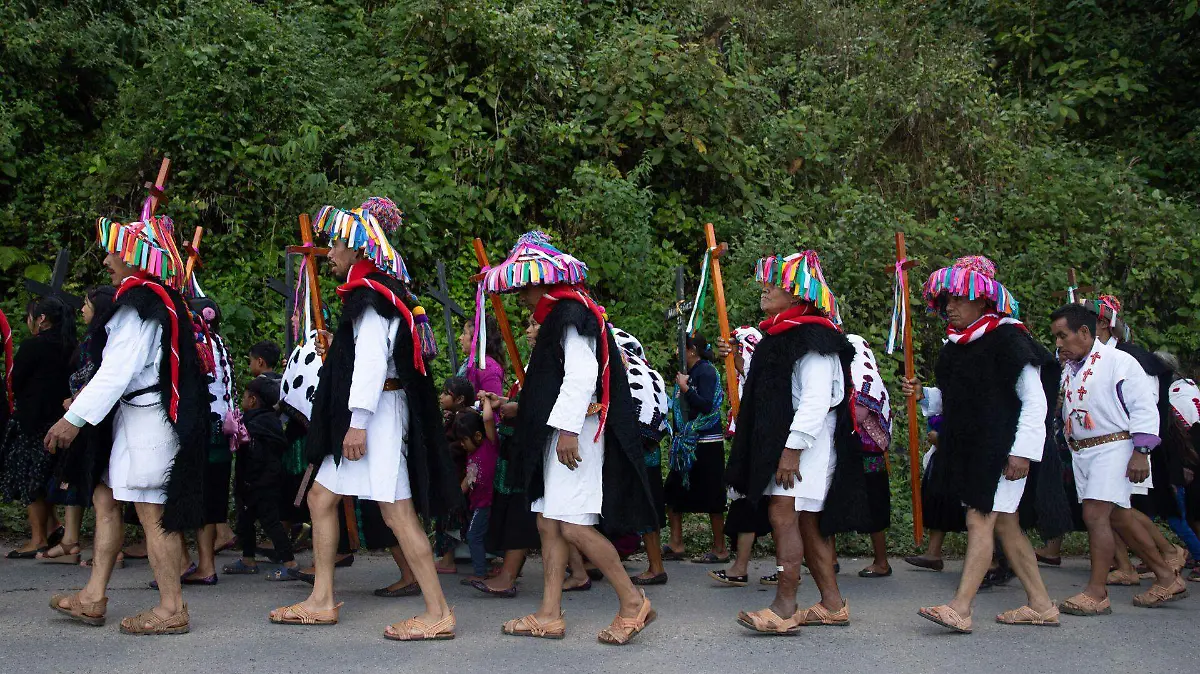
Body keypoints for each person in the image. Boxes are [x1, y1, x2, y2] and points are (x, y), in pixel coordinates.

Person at [269, 196, 459, 641]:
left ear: (357, 250)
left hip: (375, 418)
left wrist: (357, 423)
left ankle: (438, 612)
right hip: (373, 413)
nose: (330, 253)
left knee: (398, 514)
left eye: (337, 245)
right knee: (321, 497)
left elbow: (372, 362)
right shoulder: (375, 293)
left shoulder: (371, 298)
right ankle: (321, 599)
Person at [483, 231, 657, 644]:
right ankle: (549, 613)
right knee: (548, 521)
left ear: (542, 281)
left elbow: (582, 376)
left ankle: (633, 602)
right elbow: (553, 384)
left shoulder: (571, 314)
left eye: (524, 286)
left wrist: (566, 430)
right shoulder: (559, 315)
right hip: (563, 433)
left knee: (574, 526)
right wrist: (521, 409)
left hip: (576, 434)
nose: (520, 296)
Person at [44, 210, 210, 634]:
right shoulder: (151, 300)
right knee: (106, 500)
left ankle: (171, 608)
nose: (106, 261)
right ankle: (93, 596)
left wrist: (73, 419)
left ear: (136, 256)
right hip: (134, 418)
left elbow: (116, 371)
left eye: (114, 252)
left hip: (147, 423)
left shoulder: (139, 306)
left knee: (152, 513)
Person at [906, 255, 1067, 634]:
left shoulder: (1011, 340)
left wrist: (1022, 453)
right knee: (1006, 526)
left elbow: (1035, 402)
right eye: (946, 300)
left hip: (1003, 451)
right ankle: (1041, 605)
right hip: (976, 452)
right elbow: (962, 399)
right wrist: (926, 394)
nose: (950, 307)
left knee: (979, 519)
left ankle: (960, 608)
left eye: (958, 299)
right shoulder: (958, 346)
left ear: (982, 300)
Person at [726, 250, 866, 634]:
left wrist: (791, 451)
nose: (765, 288)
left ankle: (785, 606)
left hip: (806, 444)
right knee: (806, 522)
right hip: (795, 442)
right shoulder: (781, 336)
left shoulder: (814, 341)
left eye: (777, 284)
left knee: (782, 514)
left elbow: (816, 401)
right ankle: (833, 605)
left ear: (799, 294)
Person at [1049, 302, 1187, 614]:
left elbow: (1144, 406)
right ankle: (1167, 577)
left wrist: (1141, 452)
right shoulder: (1071, 368)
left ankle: (1096, 593)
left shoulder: (1119, 361)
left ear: (1085, 332)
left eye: (1063, 336)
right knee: (1119, 517)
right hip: (1084, 452)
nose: (1058, 343)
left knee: (1095, 515)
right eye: (1056, 337)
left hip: (1114, 447)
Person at [44, 287, 119, 565]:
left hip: (96, 419)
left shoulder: (104, 339)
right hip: (84, 416)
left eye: (87, 304)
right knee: (82, 480)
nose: (82, 309)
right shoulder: (92, 337)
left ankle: (110, 551)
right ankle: (72, 541)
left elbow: (102, 378)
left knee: (103, 489)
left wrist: (78, 402)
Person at [472, 317, 542, 598]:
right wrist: (503, 402)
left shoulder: (552, 360)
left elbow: (545, 403)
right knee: (536, 516)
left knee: (522, 512)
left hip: (528, 448)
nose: (528, 330)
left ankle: (509, 576)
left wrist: (518, 408)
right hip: (517, 447)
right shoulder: (537, 361)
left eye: (535, 325)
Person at [1, 297, 76, 559]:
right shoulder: (71, 345)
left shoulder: (33, 346)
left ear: (42, 319)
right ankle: (53, 526)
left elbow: (15, 380)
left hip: (33, 422)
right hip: (61, 421)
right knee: (47, 478)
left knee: (30, 479)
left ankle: (37, 539)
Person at [611, 326, 671, 586]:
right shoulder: (650, 372)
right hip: (651, 449)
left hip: (636, 452)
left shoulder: (627, 370)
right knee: (647, 506)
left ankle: (656, 567)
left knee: (642, 508)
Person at [663, 334, 728, 563]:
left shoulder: (706, 371)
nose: (677, 351)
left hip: (707, 443)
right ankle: (676, 543)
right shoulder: (688, 373)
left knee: (712, 497)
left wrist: (686, 389)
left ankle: (720, 549)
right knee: (673, 491)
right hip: (686, 444)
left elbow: (707, 405)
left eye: (681, 347)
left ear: (692, 350)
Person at [224, 373, 297, 578]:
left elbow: (255, 457)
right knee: (245, 520)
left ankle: (290, 563)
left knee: (270, 522)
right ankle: (248, 559)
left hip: (257, 483)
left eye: (245, 396)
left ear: (253, 400)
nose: (243, 400)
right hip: (265, 481)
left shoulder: (253, 425)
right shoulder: (270, 421)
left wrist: (249, 481)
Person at [847, 334, 893, 578]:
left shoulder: (862, 377)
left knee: (873, 505)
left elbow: (857, 415)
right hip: (865, 452)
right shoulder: (870, 374)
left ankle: (881, 562)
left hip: (863, 452)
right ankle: (829, 559)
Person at [453, 399, 499, 584]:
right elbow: (469, 478)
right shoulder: (471, 454)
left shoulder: (489, 445)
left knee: (474, 536)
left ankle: (480, 573)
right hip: (477, 503)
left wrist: (486, 400)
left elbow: (487, 419)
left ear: (478, 436)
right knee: (483, 536)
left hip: (486, 503)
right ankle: (507, 565)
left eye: (464, 440)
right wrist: (457, 495)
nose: (462, 444)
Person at [433, 375, 474, 574]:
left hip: (456, 478)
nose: (441, 397)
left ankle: (448, 561)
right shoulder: (459, 416)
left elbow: (458, 449)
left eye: (445, 393)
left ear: (459, 399)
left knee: (449, 520)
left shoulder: (462, 420)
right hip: (455, 477)